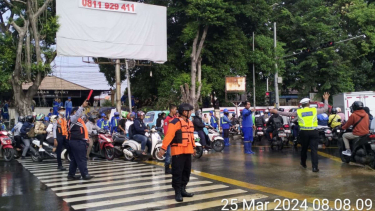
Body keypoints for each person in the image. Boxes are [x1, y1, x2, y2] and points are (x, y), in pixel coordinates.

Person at [271, 92, 330, 172]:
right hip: (314, 132)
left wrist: (276, 112)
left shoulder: (299, 112)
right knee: (314, 150)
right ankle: (315, 167)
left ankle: (303, 163)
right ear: (309, 103)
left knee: (304, 149)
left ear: (302, 105)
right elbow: (325, 109)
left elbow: (287, 114)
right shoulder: (314, 110)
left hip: (304, 133)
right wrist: (326, 99)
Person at [157, 103, 196, 202]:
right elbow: (169, 136)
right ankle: (177, 192)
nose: (191, 112)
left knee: (186, 172)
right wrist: (163, 148)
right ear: (184, 112)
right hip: (178, 152)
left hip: (188, 151)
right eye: (189, 111)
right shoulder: (174, 122)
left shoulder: (189, 122)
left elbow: (191, 137)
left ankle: (183, 189)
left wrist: (194, 147)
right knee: (177, 173)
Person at [67, 102, 93, 180]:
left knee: (75, 159)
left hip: (78, 141)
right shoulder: (73, 118)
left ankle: (71, 175)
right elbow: (77, 114)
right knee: (82, 159)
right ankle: (85, 174)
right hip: (77, 142)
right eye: (80, 111)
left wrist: (86, 138)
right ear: (75, 112)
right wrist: (81, 106)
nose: (82, 112)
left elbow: (82, 130)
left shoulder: (79, 120)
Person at [53, 107, 69, 171]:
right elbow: (54, 129)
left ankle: (74, 165)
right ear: (58, 111)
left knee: (70, 149)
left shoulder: (65, 118)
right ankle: (59, 165)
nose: (63, 111)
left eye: (63, 110)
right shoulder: (55, 118)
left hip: (65, 136)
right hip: (59, 136)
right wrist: (55, 138)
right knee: (59, 151)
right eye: (61, 110)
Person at [163, 104, 177, 174]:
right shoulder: (167, 119)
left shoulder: (175, 118)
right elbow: (166, 131)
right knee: (168, 154)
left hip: (175, 139)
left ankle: (173, 167)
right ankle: (167, 168)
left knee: (174, 154)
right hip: (169, 139)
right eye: (175, 109)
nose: (176, 111)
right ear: (171, 110)